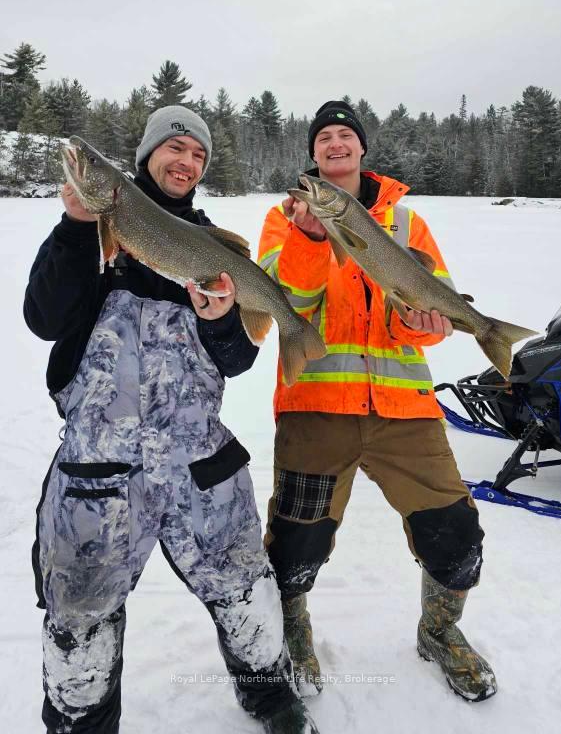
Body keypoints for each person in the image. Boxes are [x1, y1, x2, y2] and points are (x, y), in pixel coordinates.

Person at [25, 106, 320, 734]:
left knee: (246, 586)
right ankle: (82, 721)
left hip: (200, 463)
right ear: (146, 154)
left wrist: (219, 319)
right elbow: (44, 319)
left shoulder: (211, 245)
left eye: (199, 156)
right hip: (98, 469)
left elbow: (236, 360)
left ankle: (272, 698)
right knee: (80, 609)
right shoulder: (94, 233)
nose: (186, 162)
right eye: (175, 148)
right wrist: (77, 226)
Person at [258, 100, 497, 703]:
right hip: (316, 408)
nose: (335, 144)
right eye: (323, 138)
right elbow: (285, 307)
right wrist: (310, 241)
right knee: (295, 541)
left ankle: (440, 632)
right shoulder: (283, 217)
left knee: (456, 533)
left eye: (345, 135)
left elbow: (425, 313)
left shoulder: (408, 223)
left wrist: (427, 323)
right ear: (313, 153)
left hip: (405, 414)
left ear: (362, 148)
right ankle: (294, 631)